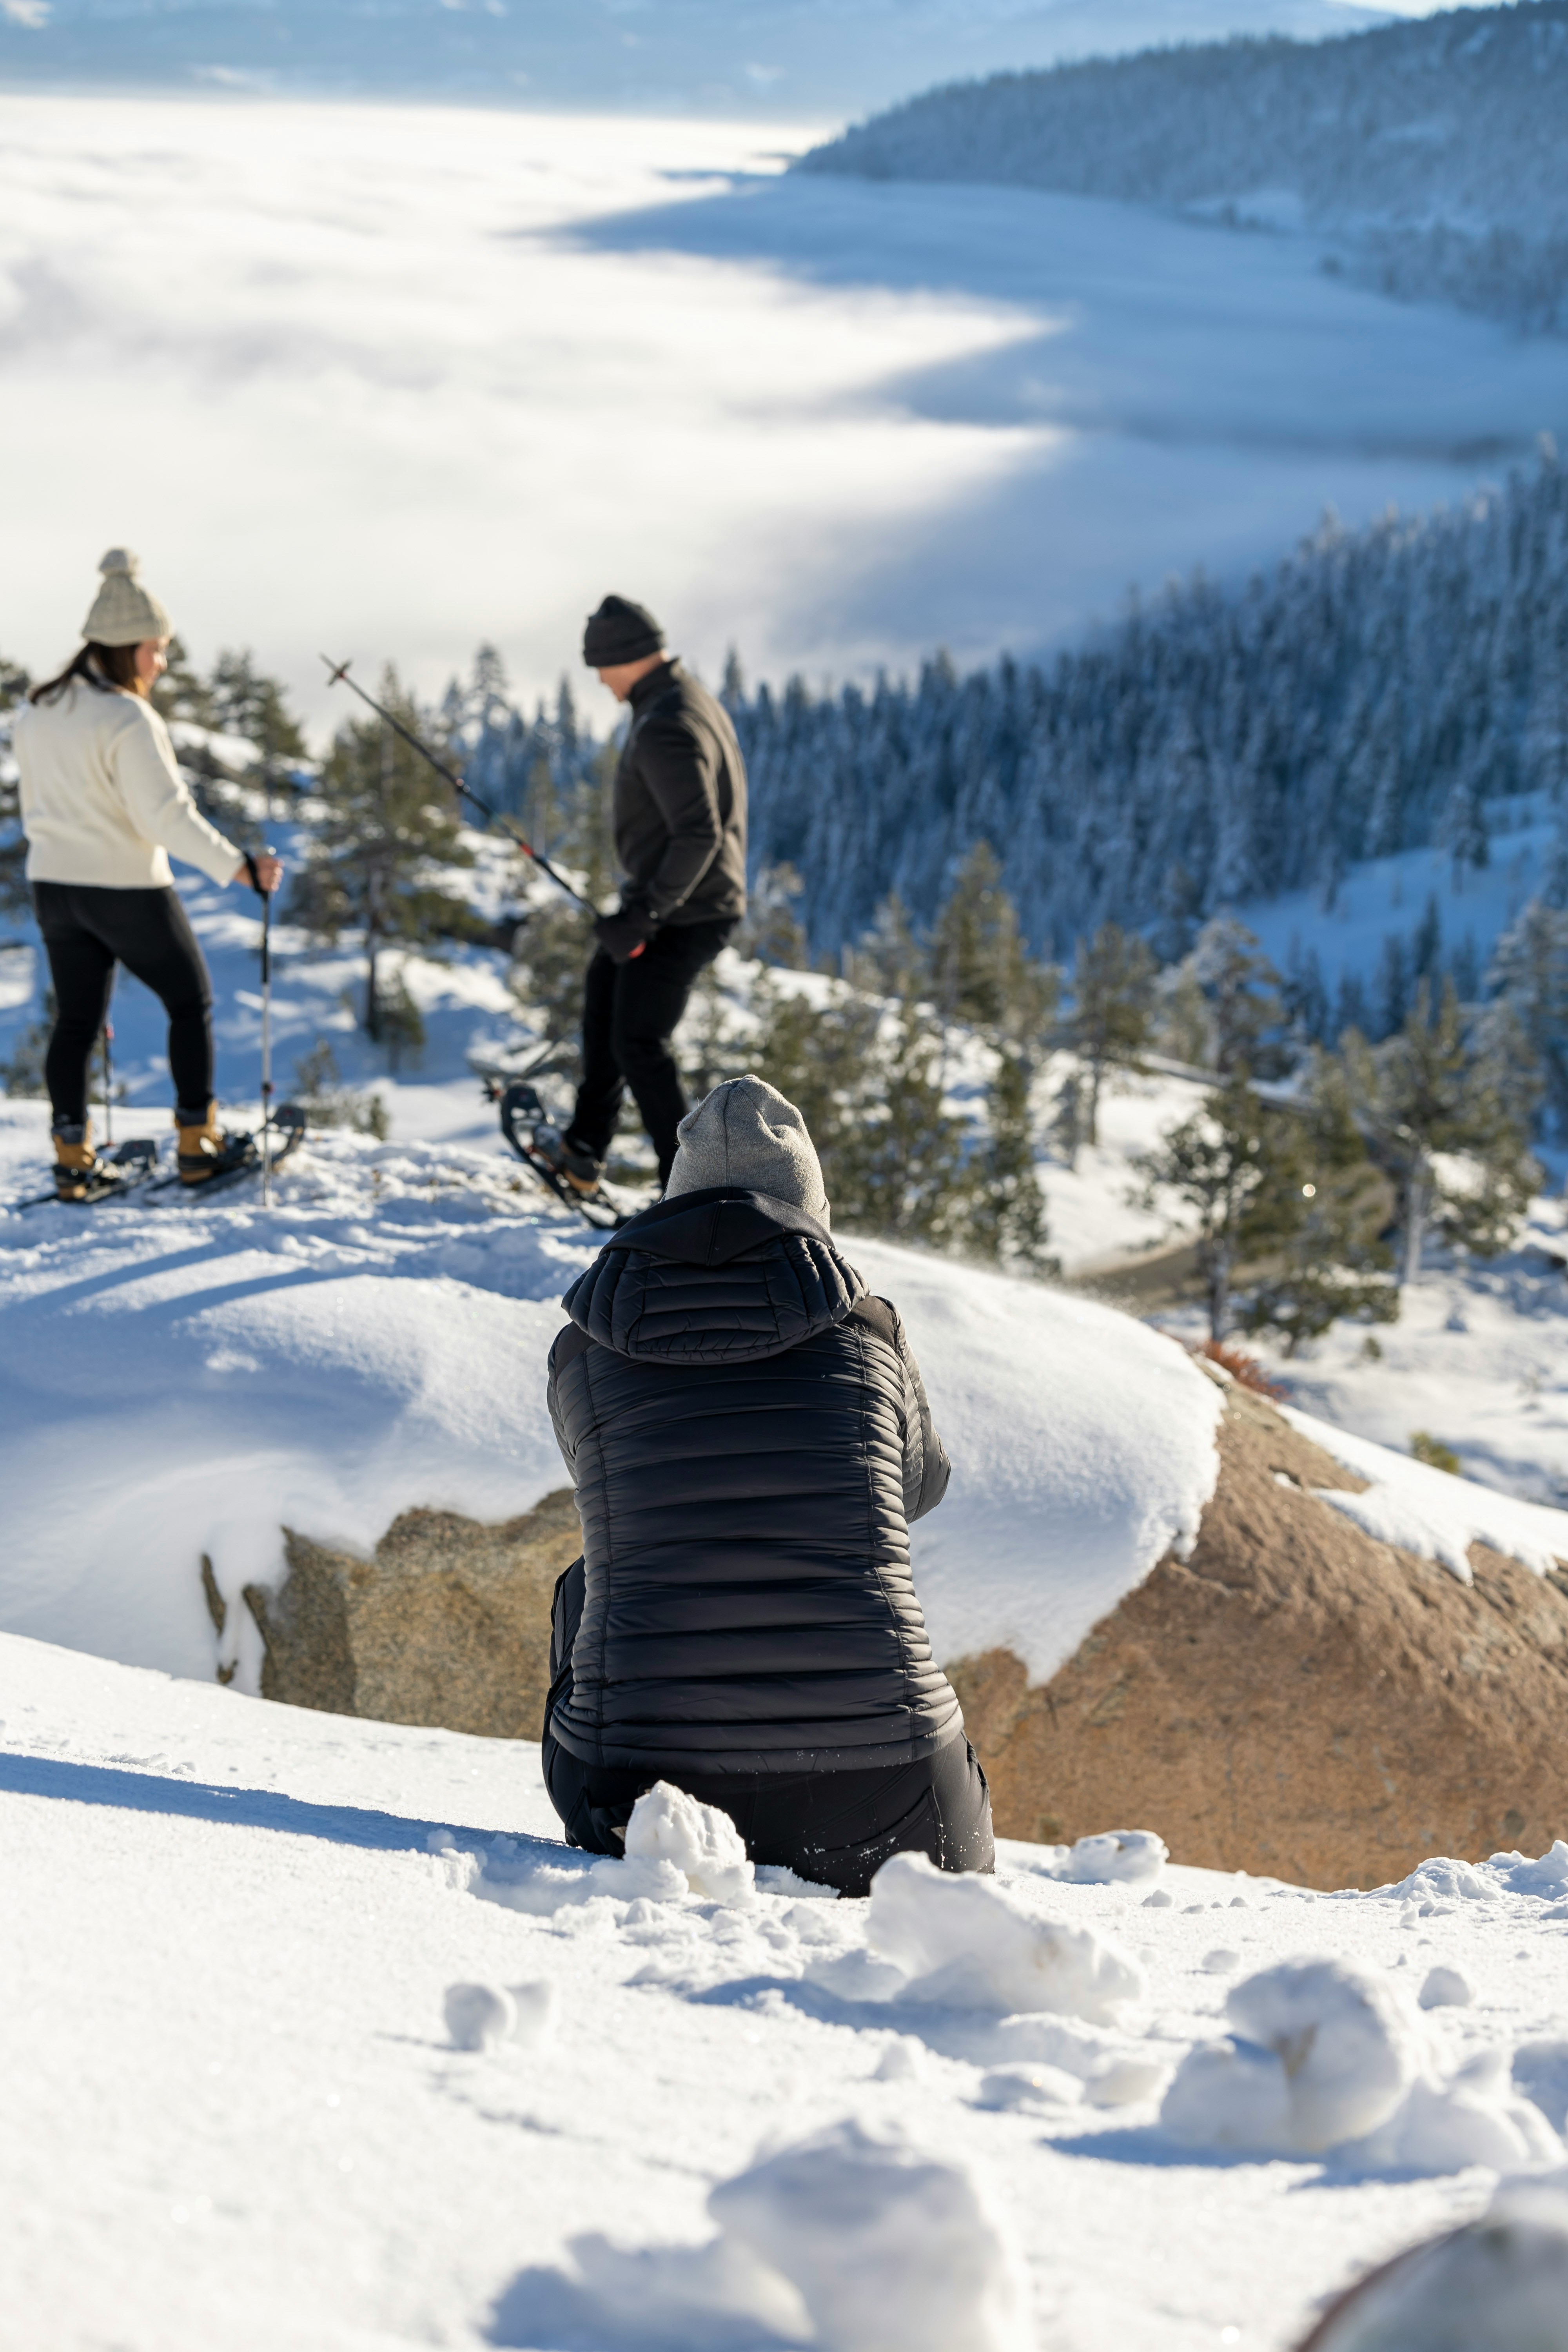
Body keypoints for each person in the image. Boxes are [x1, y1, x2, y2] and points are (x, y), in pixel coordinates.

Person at [541, 1073, 994, 1897]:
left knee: (591, 1576)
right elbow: (919, 1488)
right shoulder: (871, 1334)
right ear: (810, 1216)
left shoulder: (584, 1348)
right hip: (889, 1801)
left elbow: (608, 1485)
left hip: (636, 1796)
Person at [12, 549, 283, 1200]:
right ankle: (198, 1147)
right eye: (157, 649)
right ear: (128, 647)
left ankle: (73, 1160)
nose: (161, 663)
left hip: (53, 888)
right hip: (126, 887)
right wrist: (239, 868)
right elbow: (166, 816)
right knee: (190, 1003)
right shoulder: (128, 717)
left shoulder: (38, 709)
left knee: (75, 1024)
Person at [532, 594, 747, 1196]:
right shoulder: (682, 697)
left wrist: (647, 915)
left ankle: (687, 1190)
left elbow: (699, 832)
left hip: (685, 911)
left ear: (623, 658)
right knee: (605, 994)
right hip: (672, 902)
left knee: (638, 1040)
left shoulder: (666, 725)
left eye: (599, 666)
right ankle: (583, 1151)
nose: (598, 680)